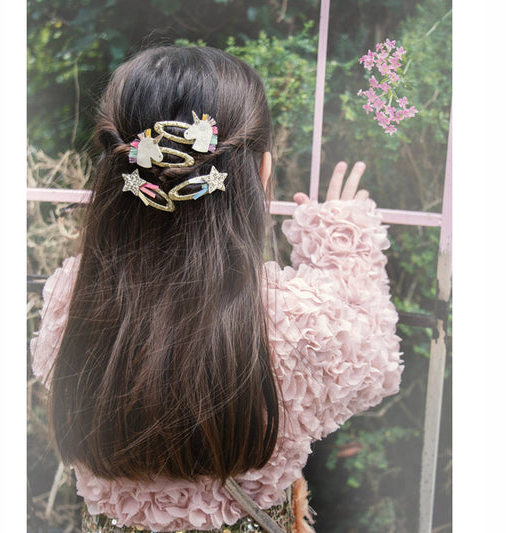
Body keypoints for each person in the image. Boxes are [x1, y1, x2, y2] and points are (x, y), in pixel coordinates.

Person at [30, 45, 403, 533]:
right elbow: (374, 365)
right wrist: (342, 239)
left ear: (115, 171)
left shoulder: (70, 299)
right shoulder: (295, 320)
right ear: (262, 172)